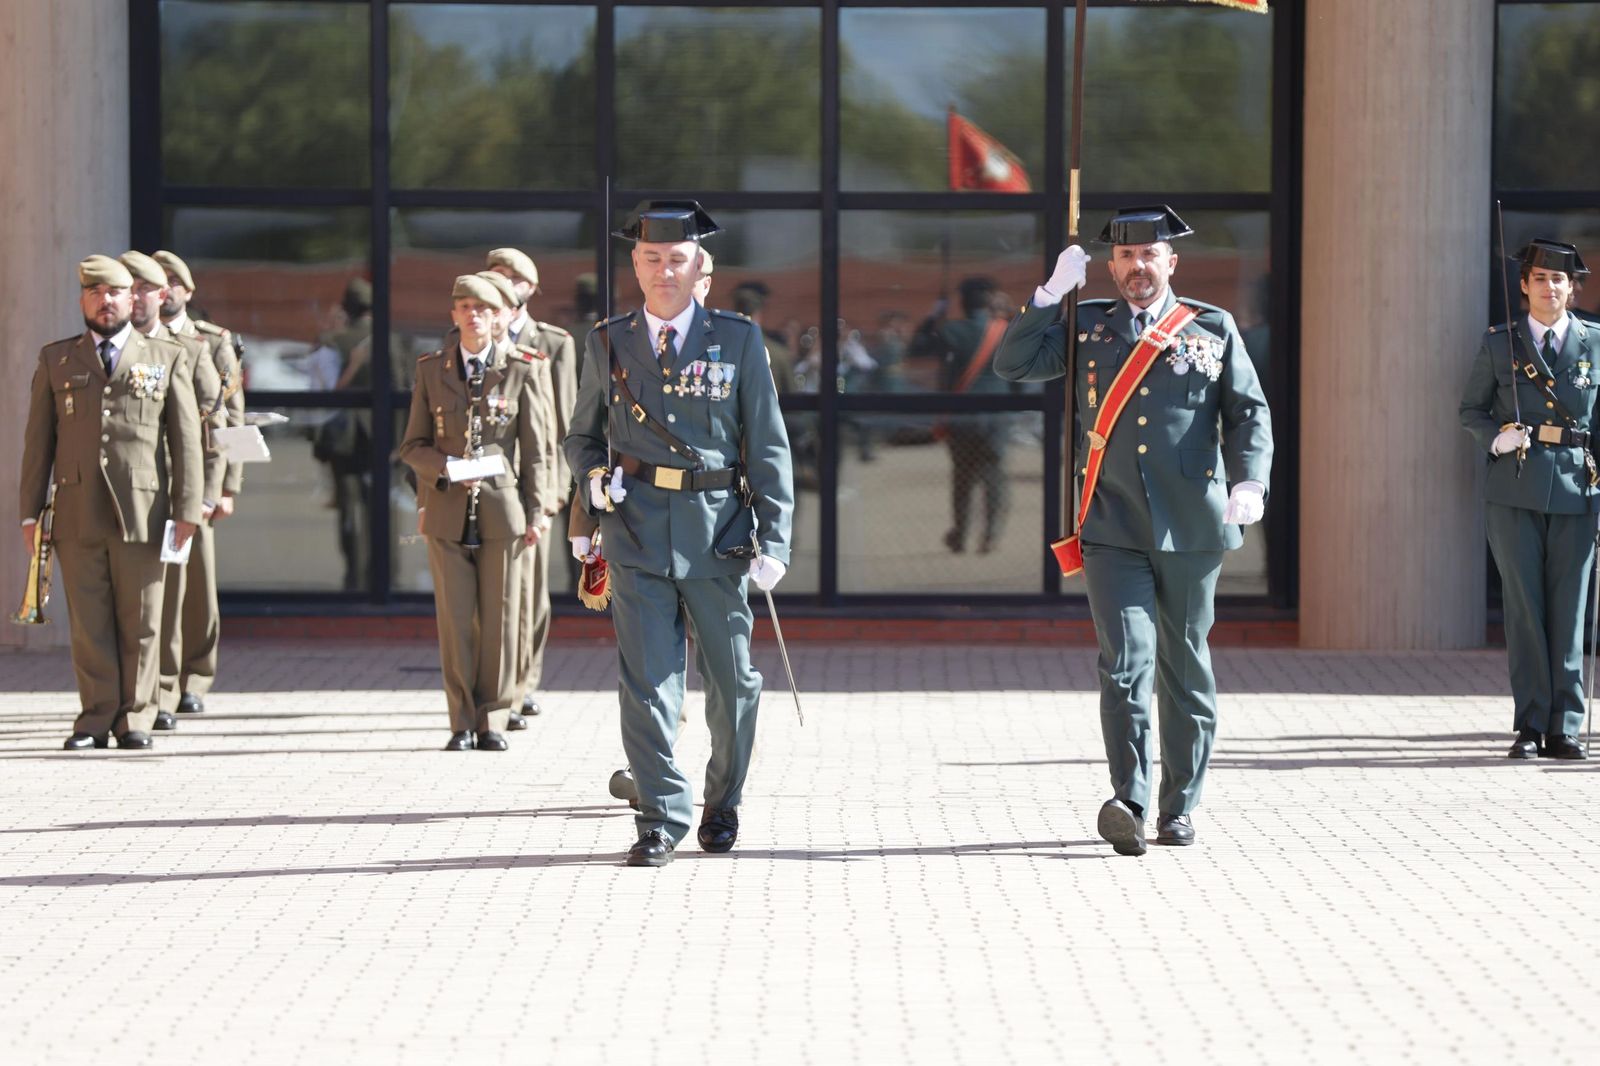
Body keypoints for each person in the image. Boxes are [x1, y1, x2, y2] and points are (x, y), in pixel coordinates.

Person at [993, 206, 1273, 856]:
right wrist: (1049, 295)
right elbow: (1013, 365)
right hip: (1112, 523)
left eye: (1149, 257)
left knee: (1185, 670)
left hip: (1193, 528)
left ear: (1170, 263)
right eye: (1124, 258)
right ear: (1112, 266)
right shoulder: (1086, 325)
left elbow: (1248, 412)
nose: (1136, 269)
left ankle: (1178, 806)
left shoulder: (1210, 326)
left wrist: (1250, 481)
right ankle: (1130, 800)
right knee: (1125, 666)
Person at [565, 200, 794, 867]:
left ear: (701, 268)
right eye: (650, 259)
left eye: (676, 259)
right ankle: (659, 818)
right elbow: (581, 435)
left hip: (718, 535)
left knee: (734, 681)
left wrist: (775, 538)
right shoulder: (607, 340)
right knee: (648, 683)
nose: (664, 270)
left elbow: (769, 446)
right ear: (635, 266)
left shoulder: (739, 339)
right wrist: (593, 477)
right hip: (635, 531)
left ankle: (723, 801)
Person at [19, 255, 204, 750]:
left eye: (115, 292)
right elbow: (38, 443)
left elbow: (185, 440)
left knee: (142, 620)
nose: (106, 301)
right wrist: (30, 512)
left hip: (143, 510)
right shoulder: (56, 359)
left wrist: (188, 509)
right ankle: (96, 717)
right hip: (78, 510)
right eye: (95, 293)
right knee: (89, 622)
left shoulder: (166, 357)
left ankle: (136, 718)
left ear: (134, 299)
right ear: (83, 300)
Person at [400, 275, 551, 752]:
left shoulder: (523, 368)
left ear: (499, 316)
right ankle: (461, 720)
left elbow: (537, 451)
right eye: (464, 307)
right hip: (447, 508)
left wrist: (537, 511)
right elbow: (411, 446)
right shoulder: (431, 369)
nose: (473, 316)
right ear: (454, 315)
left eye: (482, 309)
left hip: (503, 511)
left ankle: (493, 718)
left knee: (502, 618)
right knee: (456, 619)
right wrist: (445, 467)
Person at [1459, 239, 1597, 761]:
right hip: (1514, 489)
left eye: (1559, 280)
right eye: (1539, 278)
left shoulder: (1595, 342)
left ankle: (1567, 724)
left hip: (1578, 490)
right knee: (1524, 611)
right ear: (1524, 285)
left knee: (1570, 610)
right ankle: (1532, 724)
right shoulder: (1501, 344)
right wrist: (1496, 438)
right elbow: (1471, 409)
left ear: (1571, 288)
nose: (1549, 287)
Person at [120, 251, 227, 735]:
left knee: (180, 594)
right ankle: (135, 695)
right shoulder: (113, 346)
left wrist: (211, 490)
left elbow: (212, 423)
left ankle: (175, 686)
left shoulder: (195, 345)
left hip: (179, 489)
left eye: (151, 287)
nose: (142, 296)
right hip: (132, 496)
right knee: (140, 599)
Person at [154, 249, 246, 717]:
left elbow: (229, 417)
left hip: (198, 482)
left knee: (196, 586)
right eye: (158, 280)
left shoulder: (210, 341)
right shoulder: (137, 339)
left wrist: (224, 487)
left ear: (188, 292)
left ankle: (197, 676)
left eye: (173, 280)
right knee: (160, 588)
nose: (165, 288)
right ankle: (159, 679)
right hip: (152, 482)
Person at [487, 248, 577, 722]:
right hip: (483, 486)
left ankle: (523, 683)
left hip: (533, 486)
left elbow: (563, 423)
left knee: (530, 594)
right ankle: (496, 686)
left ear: (530, 288)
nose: (503, 285)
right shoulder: (474, 335)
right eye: (494, 276)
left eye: (512, 278)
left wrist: (554, 491)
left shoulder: (554, 342)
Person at [918, 275, 1017, 553]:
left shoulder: (951, 331)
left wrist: (934, 315)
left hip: (962, 416)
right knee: (994, 476)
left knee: (963, 478)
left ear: (962, 301)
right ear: (989, 300)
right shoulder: (1005, 330)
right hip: (997, 416)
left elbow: (919, 345)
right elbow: (1021, 378)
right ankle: (991, 534)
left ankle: (961, 534)